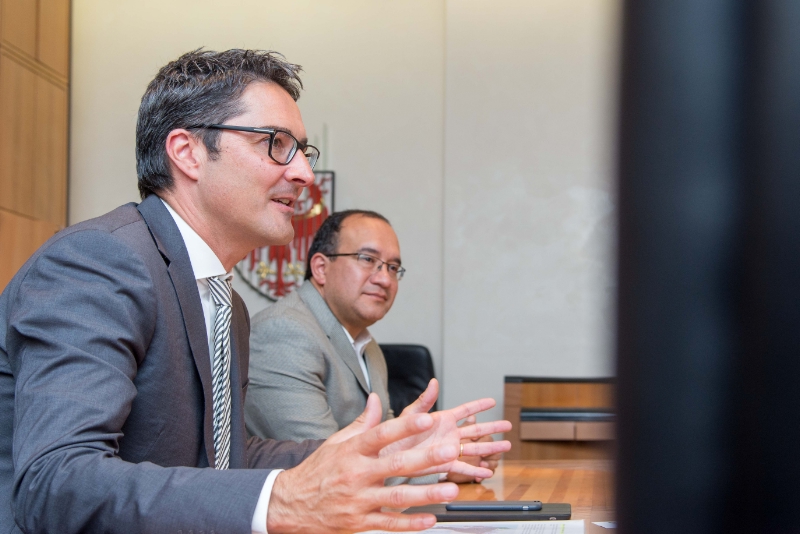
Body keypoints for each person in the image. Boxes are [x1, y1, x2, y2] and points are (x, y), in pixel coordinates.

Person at [0, 49, 511, 534]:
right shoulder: (98, 261)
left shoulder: (228, 304)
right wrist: (280, 501)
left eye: (303, 151)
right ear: (188, 153)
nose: (304, 174)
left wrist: (391, 452)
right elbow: (55, 483)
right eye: (275, 143)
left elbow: (225, 459)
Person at [245, 210, 501, 482]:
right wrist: (440, 462)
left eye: (392, 268)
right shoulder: (283, 332)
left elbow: (386, 442)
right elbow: (329, 466)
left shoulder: (368, 346)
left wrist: (448, 454)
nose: (384, 279)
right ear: (321, 268)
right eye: (367, 259)